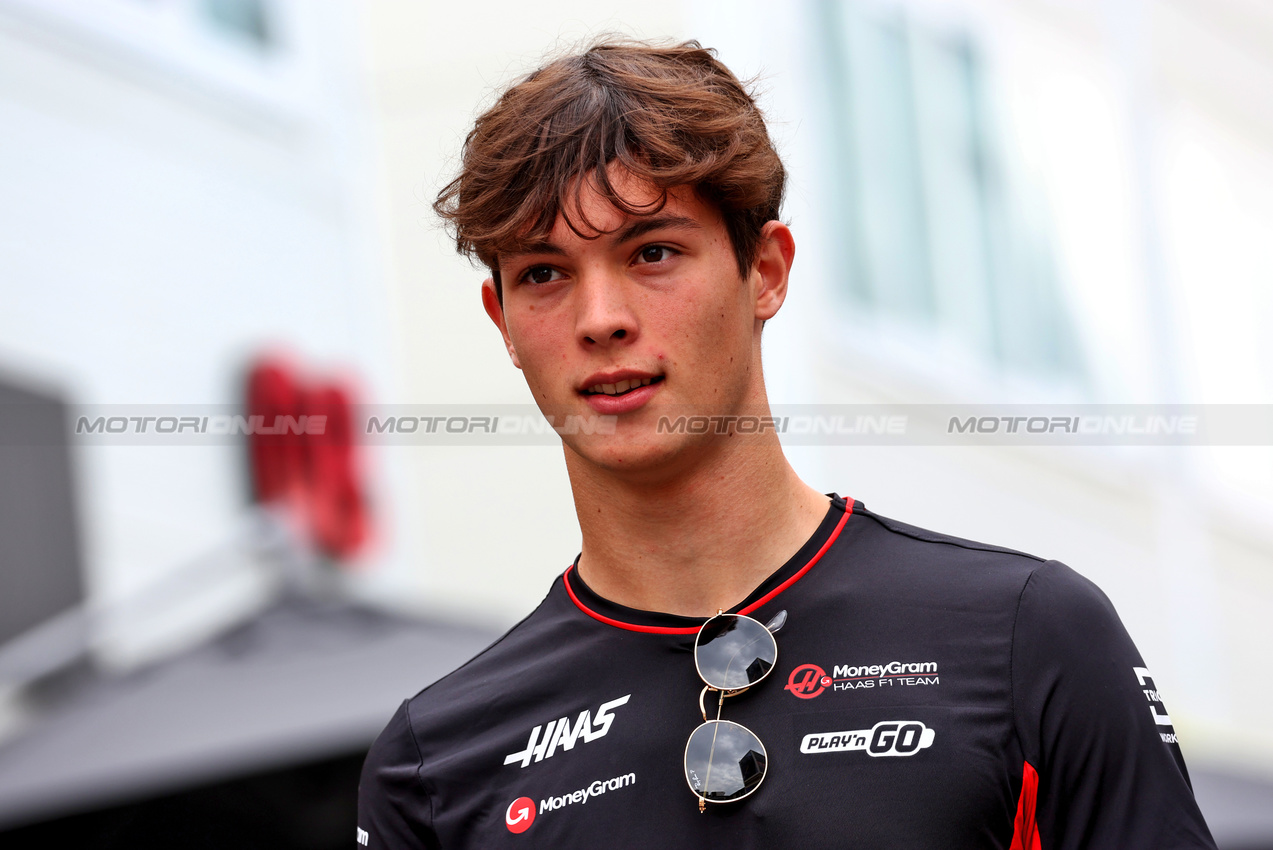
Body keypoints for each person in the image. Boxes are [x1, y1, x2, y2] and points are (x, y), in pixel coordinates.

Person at [357, 38, 1216, 849]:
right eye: (543, 274)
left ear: (764, 271)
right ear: (502, 322)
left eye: (652, 252)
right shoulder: (435, 763)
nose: (601, 320)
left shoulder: (1026, 635)